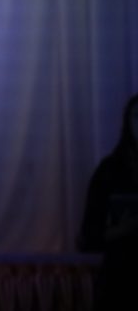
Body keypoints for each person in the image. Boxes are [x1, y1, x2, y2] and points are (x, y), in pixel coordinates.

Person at [79, 93, 138, 310]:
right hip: (120, 278)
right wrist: (123, 229)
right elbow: (89, 236)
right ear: (127, 122)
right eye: (137, 116)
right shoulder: (110, 170)